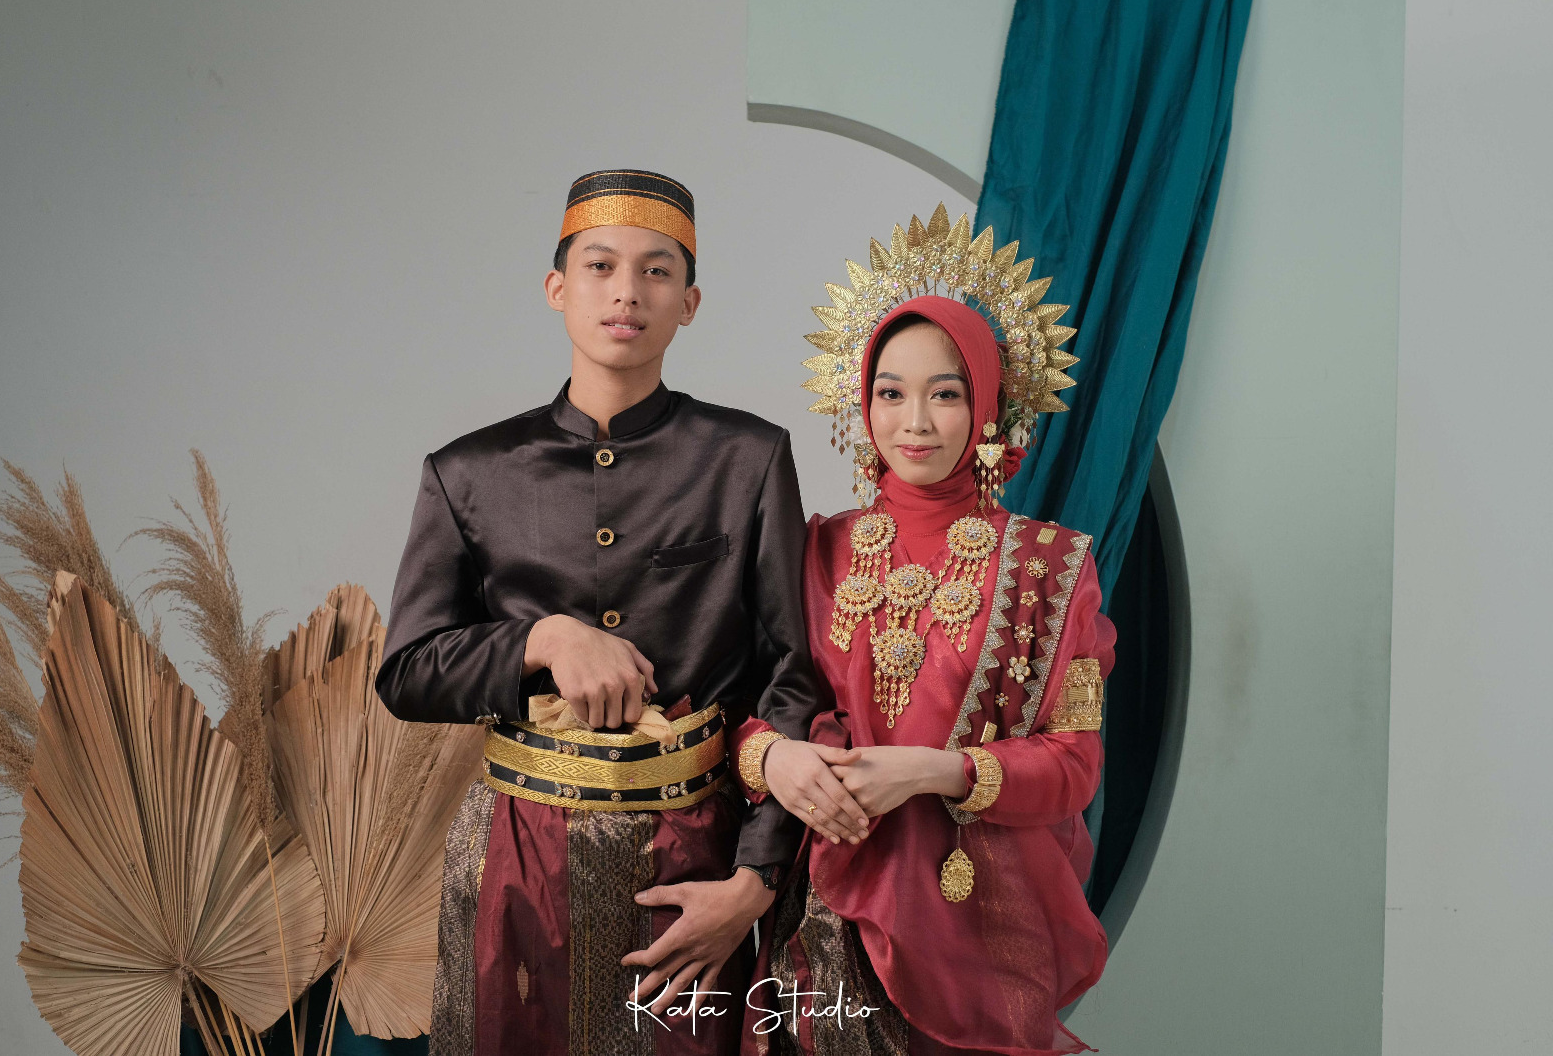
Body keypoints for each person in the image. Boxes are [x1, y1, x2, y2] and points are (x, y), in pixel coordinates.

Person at [377, 169, 868, 1056]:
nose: (626, 292)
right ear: (556, 288)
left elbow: (789, 678)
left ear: (690, 303)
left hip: (693, 866)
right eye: (600, 266)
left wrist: (754, 881)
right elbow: (407, 672)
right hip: (515, 858)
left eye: (656, 271)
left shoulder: (748, 458)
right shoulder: (468, 472)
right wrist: (543, 638)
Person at [745, 208, 1114, 1056]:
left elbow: (1075, 765)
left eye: (945, 393)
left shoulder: (1053, 569)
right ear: (860, 403)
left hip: (981, 921)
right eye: (891, 393)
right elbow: (748, 714)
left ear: (987, 406)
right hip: (825, 912)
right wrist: (776, 760)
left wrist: (933, 771)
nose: (914, 421)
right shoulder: (811, 550)